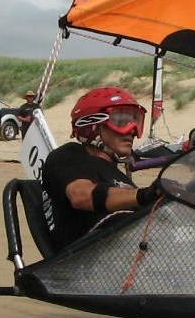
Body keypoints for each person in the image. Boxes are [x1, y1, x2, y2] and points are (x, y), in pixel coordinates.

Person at [41, 87, 158, 252]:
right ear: (92, 126)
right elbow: (81, 195)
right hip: (87, 267)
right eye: (121, 121)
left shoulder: (116, 173)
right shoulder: (69, 155)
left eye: (136, 121)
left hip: (128, 258)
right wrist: (144, 195)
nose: (132, 130)